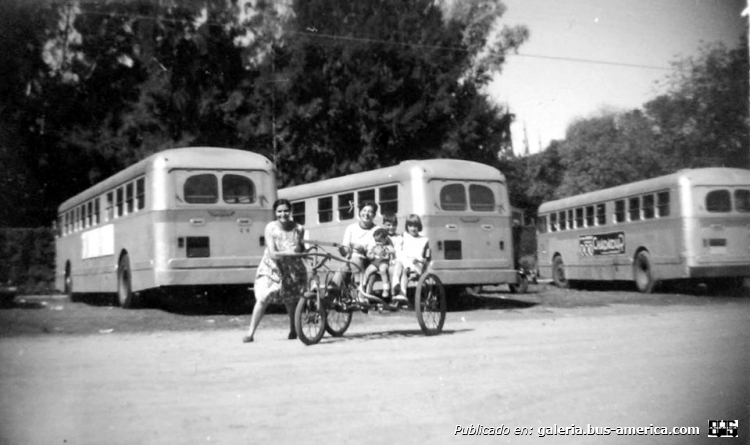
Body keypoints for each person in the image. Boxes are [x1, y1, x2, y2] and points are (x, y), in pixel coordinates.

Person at [243, 199, 307, 343]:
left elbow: (301, 248)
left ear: (290, 211)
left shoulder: (299, 228)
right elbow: (272, 253)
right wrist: (292, 252)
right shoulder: (270, 227)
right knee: (263, 297)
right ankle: (250, 333)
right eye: (279, 211)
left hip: (292, 268)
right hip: (272, 267)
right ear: (275, 212)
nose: (282, 214)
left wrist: (300, 250)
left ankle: (293, 329)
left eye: (285, 211)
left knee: (291, 300)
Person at [332, 201, 381, 301]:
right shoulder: (351, 228)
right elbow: (345, 252)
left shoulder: (377, 230)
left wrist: (363, 250)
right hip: (351, 261)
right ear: (360, 212)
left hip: (368, 261)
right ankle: (331, 294)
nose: (366, 214)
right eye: (364, 210)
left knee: (354, 260)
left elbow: (374, 253)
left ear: (374, 215)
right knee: (343, 267)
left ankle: (356, 291)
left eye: (370, 212)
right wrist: (342, 249)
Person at [394, 214, 429, 299]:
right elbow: (399, 251)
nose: (413, 228)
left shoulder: (424, 240)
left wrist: (421, 260)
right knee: (399, 264)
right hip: (405, 262)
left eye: (415, 226)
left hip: (416, 265)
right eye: (410, 226)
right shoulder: (404, 236)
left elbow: (426, 258)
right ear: (407, 226)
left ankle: (403, 293)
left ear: (419, 226)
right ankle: (395, 284)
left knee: (405, 269)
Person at [365, 228, 395, 298]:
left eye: (380, 241)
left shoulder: (387, 246)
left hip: (383, 262)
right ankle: (363, 284)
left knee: (383, 271)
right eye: (376, 241)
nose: (377, 243)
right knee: (367, 271)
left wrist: (386, 250)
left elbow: (393, 251)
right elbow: (369, 253)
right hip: (375, 262)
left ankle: (386, 289)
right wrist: (370, 253)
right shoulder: (374, 247)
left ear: (385, 239)